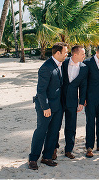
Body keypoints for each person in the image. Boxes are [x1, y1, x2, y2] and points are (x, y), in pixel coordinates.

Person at [28, 43, 67, 171]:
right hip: (45, 106)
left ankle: (47, 157)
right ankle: (33, 159)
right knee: (41, 131)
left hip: (58, 106)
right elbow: (41, 91)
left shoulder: (60, 65)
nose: (67, 55)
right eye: (65, 52)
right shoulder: (46, 67)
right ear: (58, 53)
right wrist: (45, 107)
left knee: (53, 132)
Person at [60, 45, 88, 160]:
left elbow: (83, 86)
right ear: (75, 54)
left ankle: (69, 150)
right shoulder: (63, 63)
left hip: (73, 101)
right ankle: (53, 149)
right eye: (82, 54)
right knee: (56, 125)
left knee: (71, 126)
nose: (84, 56)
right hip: (59, 99)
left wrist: (81, 102)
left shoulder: (84, 68)